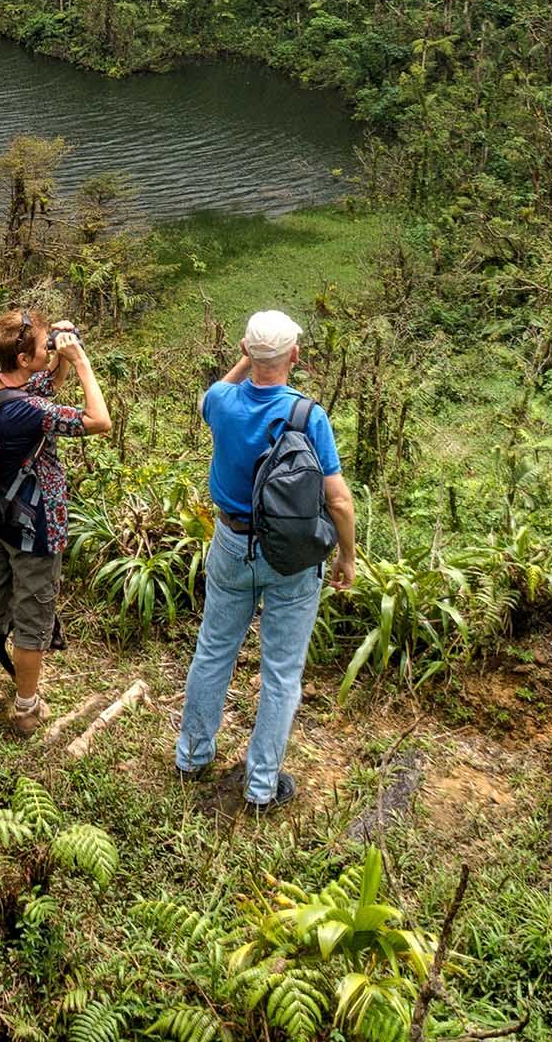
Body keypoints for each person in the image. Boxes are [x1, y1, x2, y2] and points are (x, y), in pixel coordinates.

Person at [174, 309, 359, 811]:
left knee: (213, 651)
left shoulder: (222, 403)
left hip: (232, 544)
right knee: (280, 671)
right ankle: (260, 787)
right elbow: (339, 500)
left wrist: (245, 358)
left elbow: (214, 392)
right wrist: (347, 556)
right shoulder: (307, 415)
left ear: (245, 351)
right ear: (295, 357)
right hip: (292, 557)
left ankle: (192, 756)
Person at [0, 308, 112, 735]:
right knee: (33, 616)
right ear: (23, 359)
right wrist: (80, 362)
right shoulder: (28, 412)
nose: (51, 348)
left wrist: (57, 355)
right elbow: (100, 420)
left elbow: (41, 388)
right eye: (46, 345)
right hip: (34, 524)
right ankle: (26, 708)